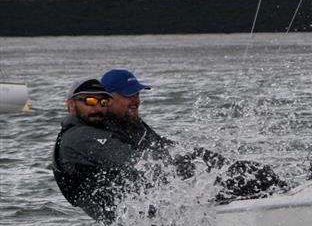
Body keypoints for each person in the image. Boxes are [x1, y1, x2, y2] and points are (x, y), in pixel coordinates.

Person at [100, 68, 297, 201]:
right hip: (174, 190)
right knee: (255, 179)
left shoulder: (131, 121)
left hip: (183, 177)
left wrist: (199, 156)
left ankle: (292, 192)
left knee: (255, 170)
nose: (136, 100)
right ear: (108, 99)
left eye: (137, 94)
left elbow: (161, 146)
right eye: (129, 95)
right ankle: (285, 200)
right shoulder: (105, 131)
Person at [51, 77, 143, 224]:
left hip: (137, 221)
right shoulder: (78, 138)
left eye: (103, 102)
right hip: (138, 221)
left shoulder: (100, 129)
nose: (97, 108)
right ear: (71, 105)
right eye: (90, 101)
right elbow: (138, 162)